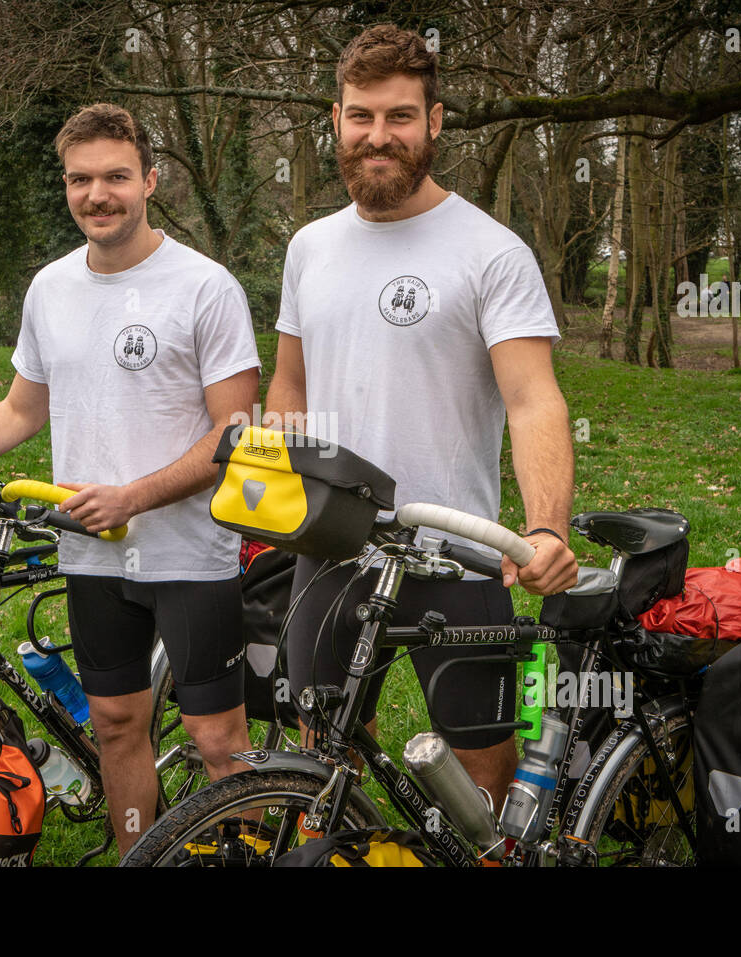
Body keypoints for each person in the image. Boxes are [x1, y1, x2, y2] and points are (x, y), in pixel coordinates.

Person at [0, 103, 261, 853]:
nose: (99, 193)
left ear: (150, 181)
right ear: (66, 186)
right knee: (118, 723)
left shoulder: (205, 285)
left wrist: (134, 495)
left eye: (117, 177)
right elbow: (20, 411)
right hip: (92, 552)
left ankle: (243, 854)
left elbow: (234, 432)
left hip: (190, 552)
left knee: (217, 737)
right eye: (81, 179)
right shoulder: (50, 289)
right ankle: (138, 854)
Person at [263, 25, 580, 808]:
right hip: (331, 548)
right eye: (362, 116)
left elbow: (534, 397)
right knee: (323, 758)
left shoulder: (489, 251)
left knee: (481, 776)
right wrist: (277, 473)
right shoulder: (309, 247)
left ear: (435, 123)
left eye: (400, 116)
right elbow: (289, 384)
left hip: (457, 554)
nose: (380, 135)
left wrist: (546, 527)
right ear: (335, 121)